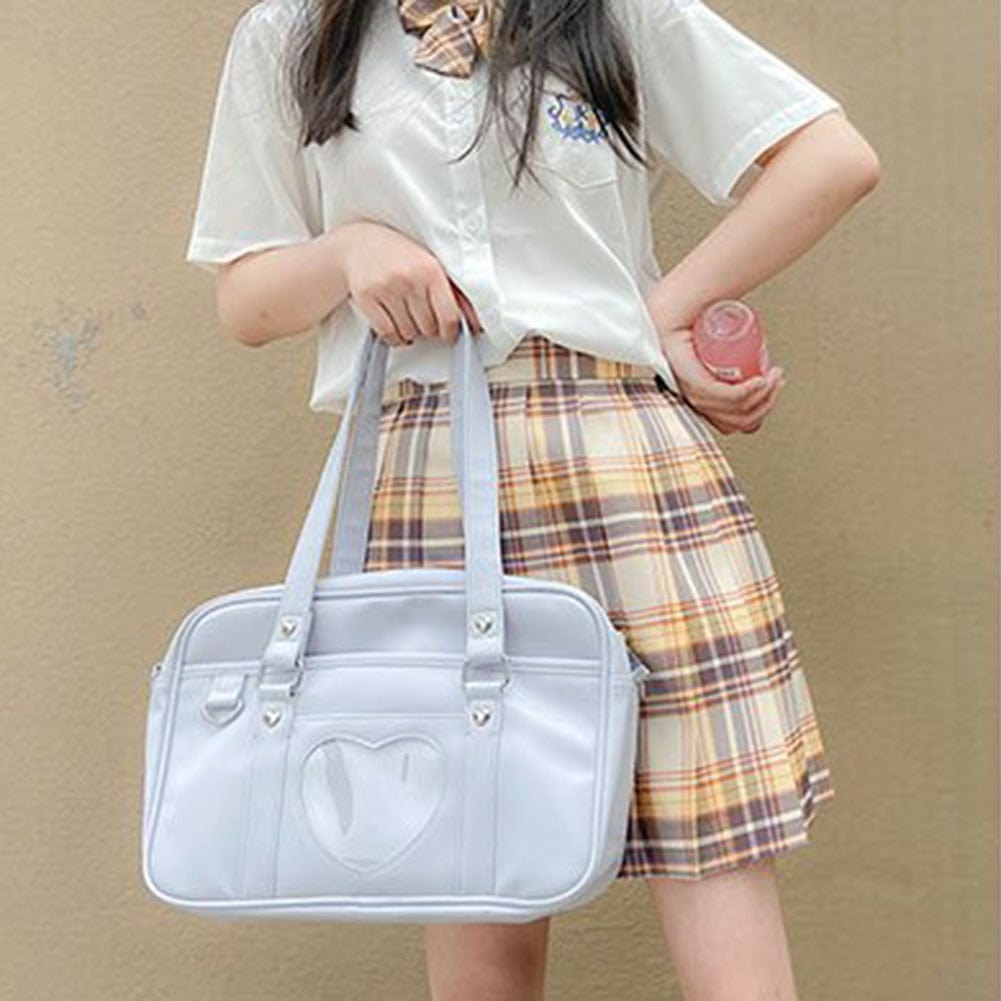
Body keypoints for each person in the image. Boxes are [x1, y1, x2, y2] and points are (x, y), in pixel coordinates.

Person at [184, 0, 879, 997]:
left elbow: (829, 158)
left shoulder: (615, 14)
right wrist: (347, 254)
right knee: (470, 862)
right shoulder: (293, 34)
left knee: (710, 848)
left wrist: (649, 319)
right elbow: (245, 301)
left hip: (624, 460)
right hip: (428, 474)